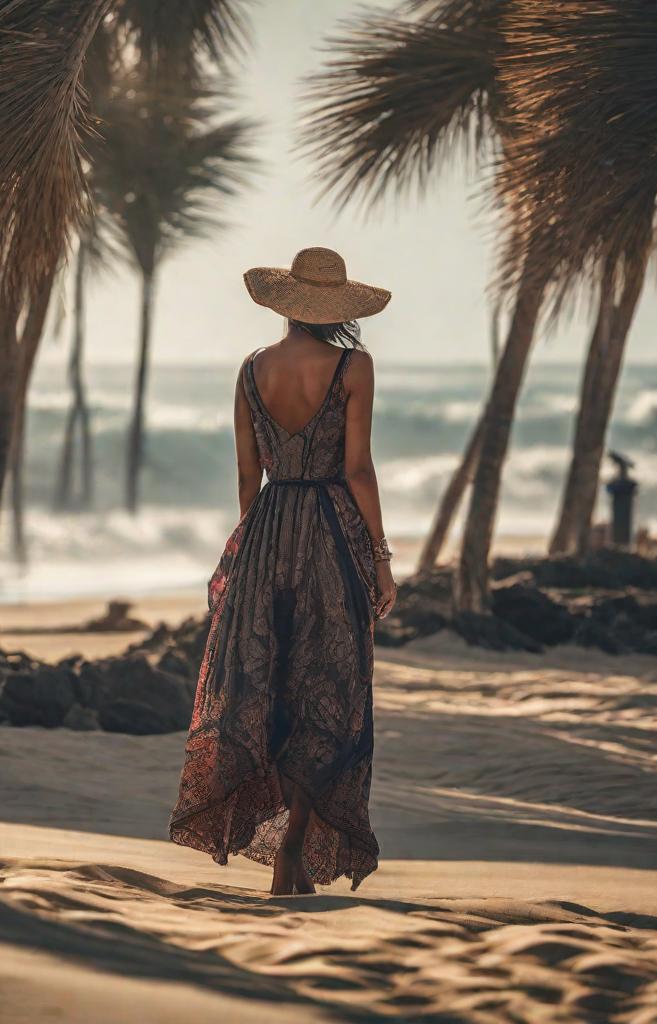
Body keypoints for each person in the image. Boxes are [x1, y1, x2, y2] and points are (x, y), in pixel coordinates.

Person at [169, 247, 396, 895]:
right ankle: (293, 847)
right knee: (328, 690)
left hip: (267, 531)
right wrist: (378, 557)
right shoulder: (354, 366)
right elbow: (357, 469)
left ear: (285, 305)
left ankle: (286, 854)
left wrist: (252, 554)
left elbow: (248, 476)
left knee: (266, 690)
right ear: (337, 307)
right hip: (330, 531)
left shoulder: (251, 370)